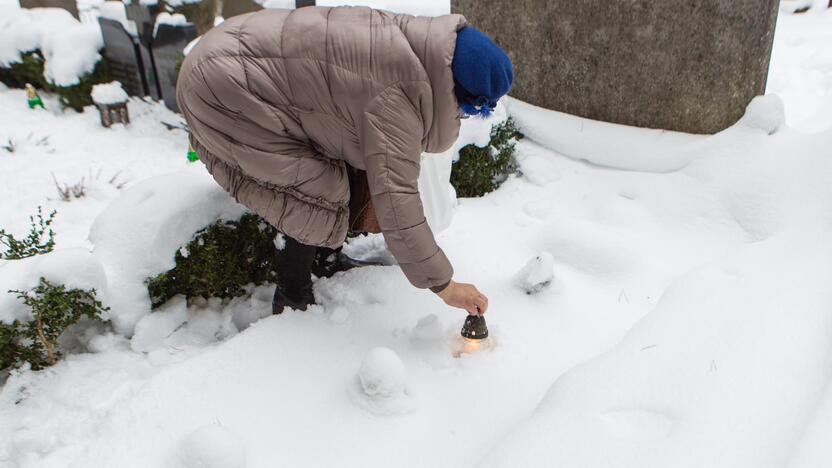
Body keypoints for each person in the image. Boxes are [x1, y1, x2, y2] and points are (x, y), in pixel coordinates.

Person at [176, 5, 513, 317]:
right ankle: (293, 295)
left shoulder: (418, 46)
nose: (462, 117)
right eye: (469, 111)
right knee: (318, 187)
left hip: (232, 52)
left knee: (344, 164)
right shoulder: (401, 97)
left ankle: (324, 257)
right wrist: (446, 286)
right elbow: (398, 203)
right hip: (222, 88)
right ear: (454, 89)